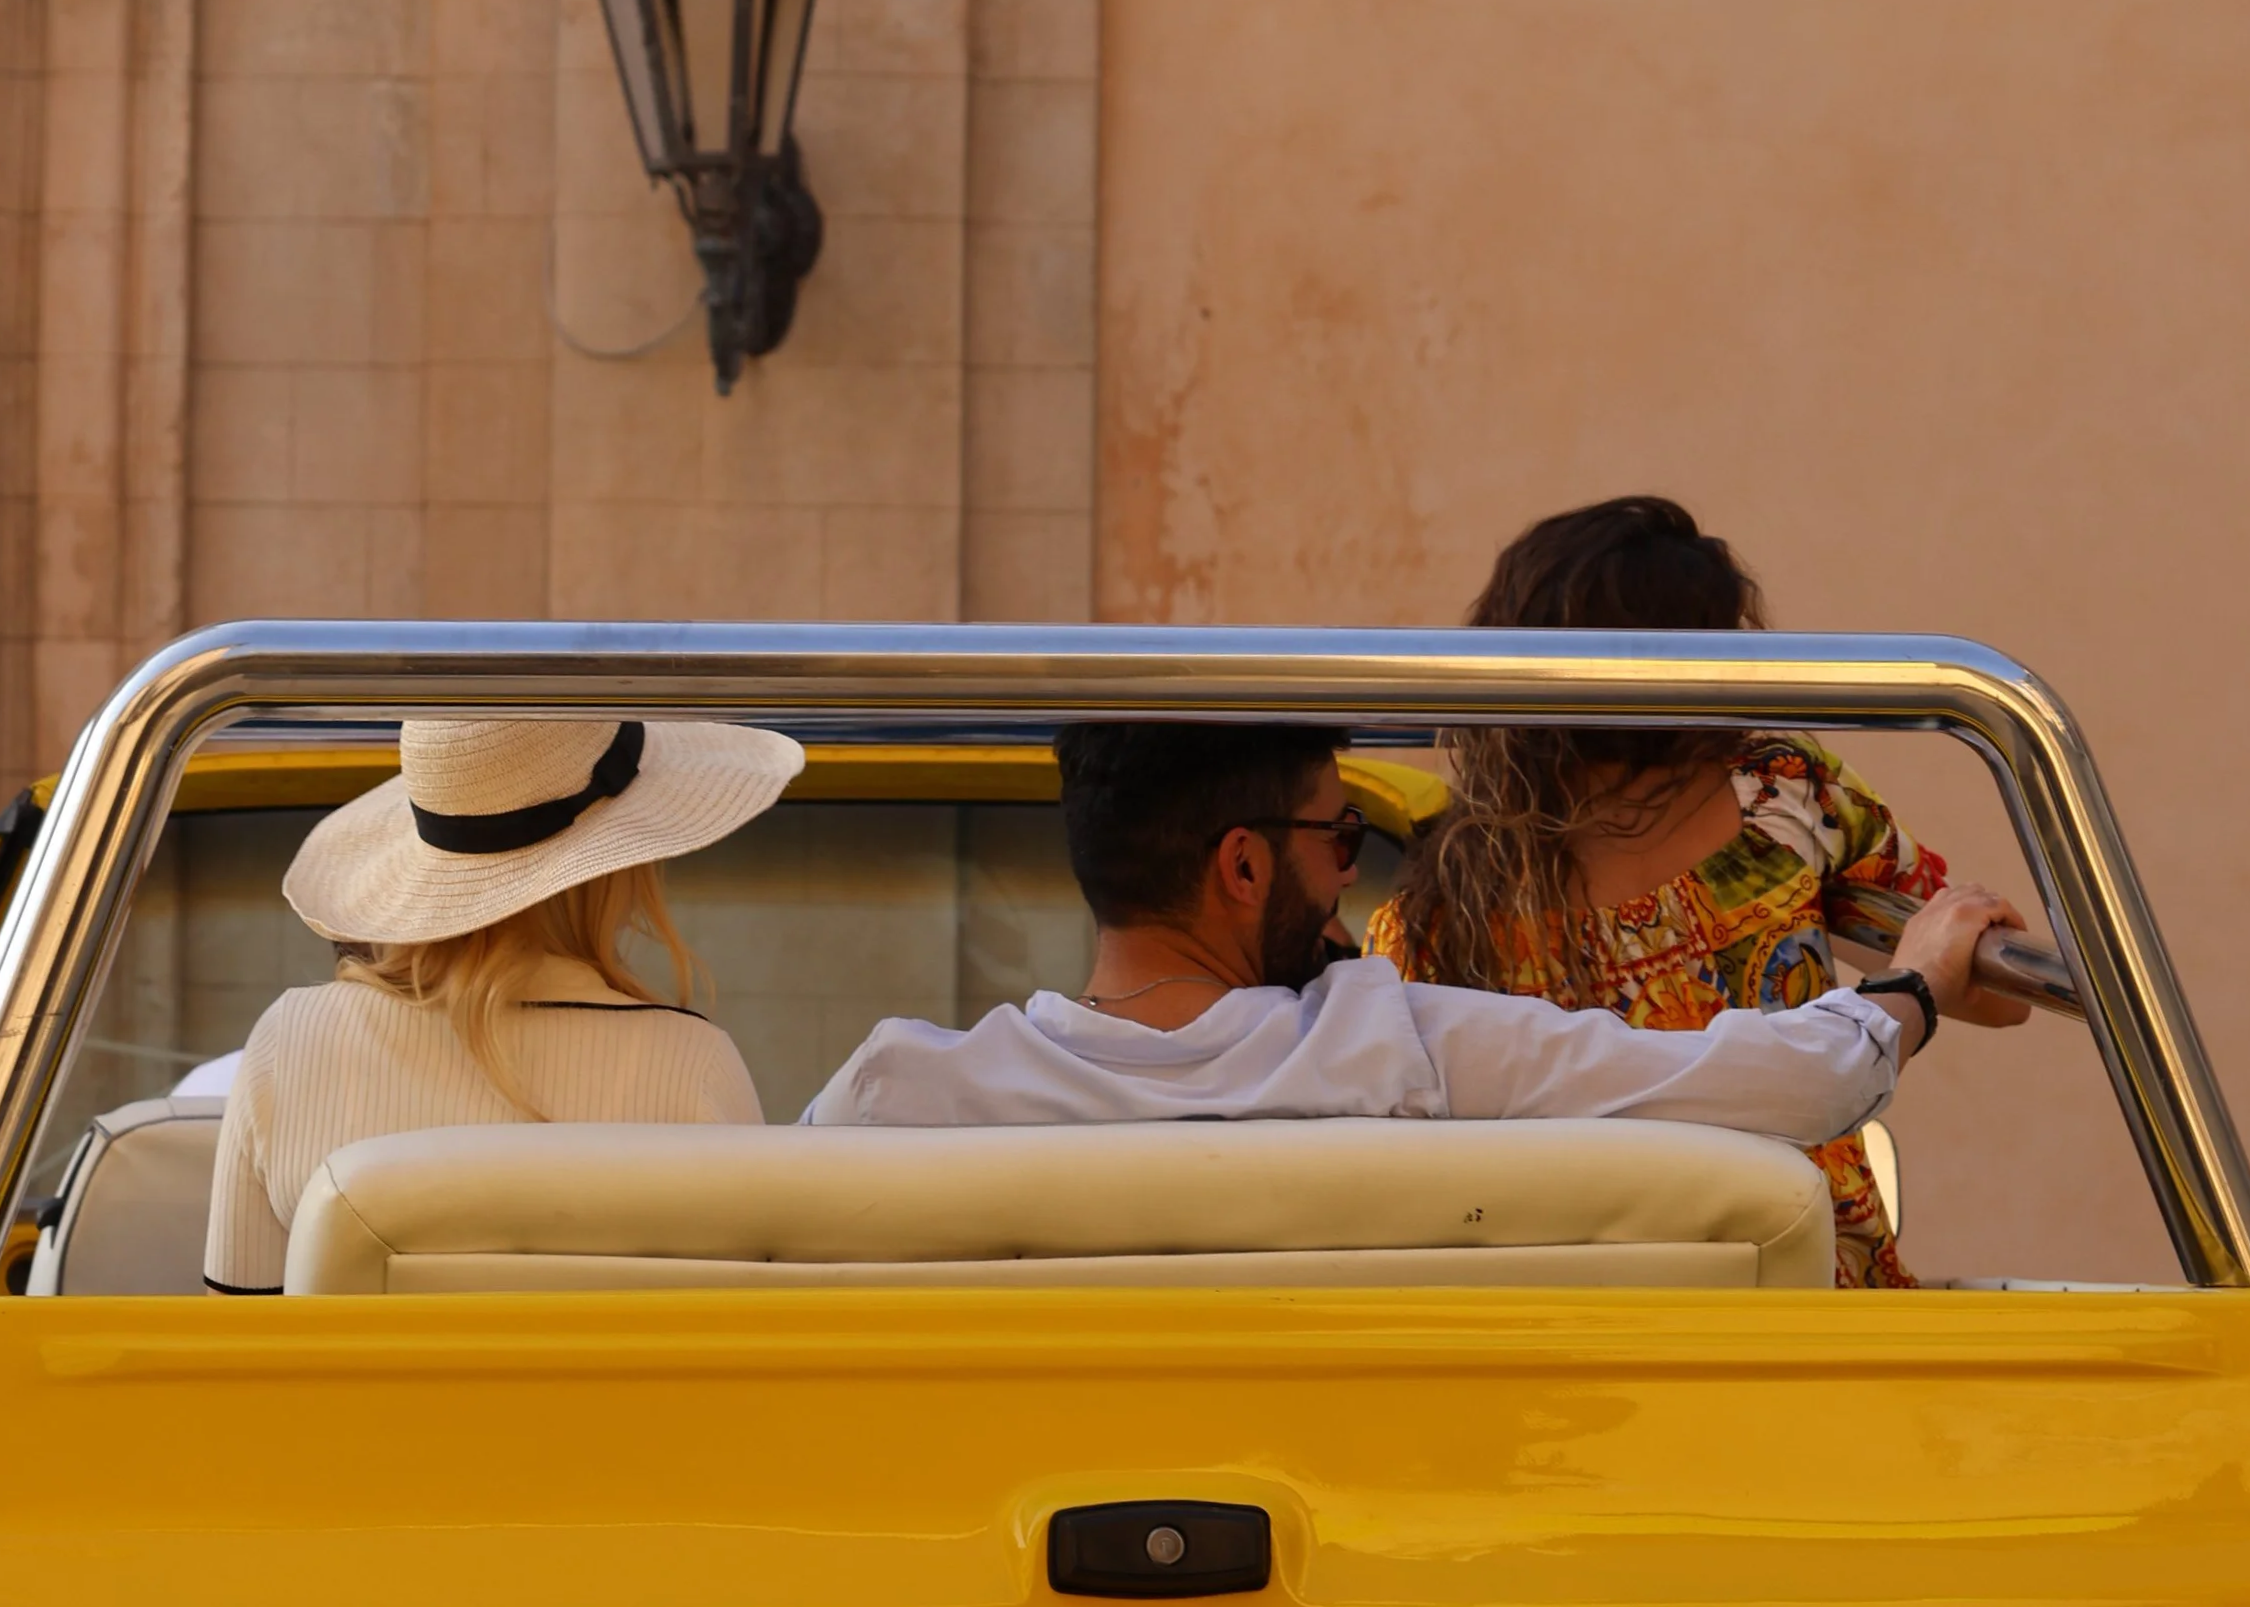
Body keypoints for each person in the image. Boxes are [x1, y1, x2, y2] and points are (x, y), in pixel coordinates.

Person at [1364, 493, 2027, 1285]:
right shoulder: (1781, 793)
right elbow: (1998, 995)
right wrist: (1937, 957)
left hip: (1577, 1328)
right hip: (1818, 1289)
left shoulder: (1434, 908)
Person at [803, 718, 2022, 1139]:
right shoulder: (1402, 1048)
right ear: (1242, 864)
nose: (1346, 882)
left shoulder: (902, 1092)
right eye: (1336, 841)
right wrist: (1912, 982)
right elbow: (1772, 1085)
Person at [204, 713, 800, 1291]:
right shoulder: (691, 1065)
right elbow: (733, 1351)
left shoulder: (291, 1043)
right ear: (619, 869)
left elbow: (237, 1342)